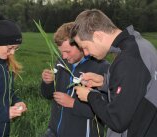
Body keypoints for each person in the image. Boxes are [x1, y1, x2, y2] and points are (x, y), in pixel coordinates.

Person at [72, 9, 157, 137]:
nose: (86, 53)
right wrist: (104, 82)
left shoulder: (129, 59)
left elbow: (117, 120)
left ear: (98, 36)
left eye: (85, 47)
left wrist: (90, 96)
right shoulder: (138, 47)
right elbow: (135, 88)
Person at [41, 22, 109, 137]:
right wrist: (48, 83)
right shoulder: (61, 63)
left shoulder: (101, 68)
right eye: (61, 52)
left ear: (81, 45)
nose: (64, 56)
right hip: (53, 132)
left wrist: (73, 104)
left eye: (67, 51)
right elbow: (47, 95)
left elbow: (106, 111)